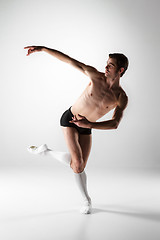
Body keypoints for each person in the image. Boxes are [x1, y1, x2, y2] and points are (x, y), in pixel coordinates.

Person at [24, 46, 129, 214]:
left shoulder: (121, 97)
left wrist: (89, 125)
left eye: (111, 65)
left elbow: (115, 123)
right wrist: (43, 49)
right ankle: (86, 200)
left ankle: (45, 151)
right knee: (78, 164)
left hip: (86, 126)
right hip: (71, 119)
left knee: (77, 166)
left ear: (120, 70)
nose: (106, 67)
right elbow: (69, 60)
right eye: (107, 63)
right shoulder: (95, 76)